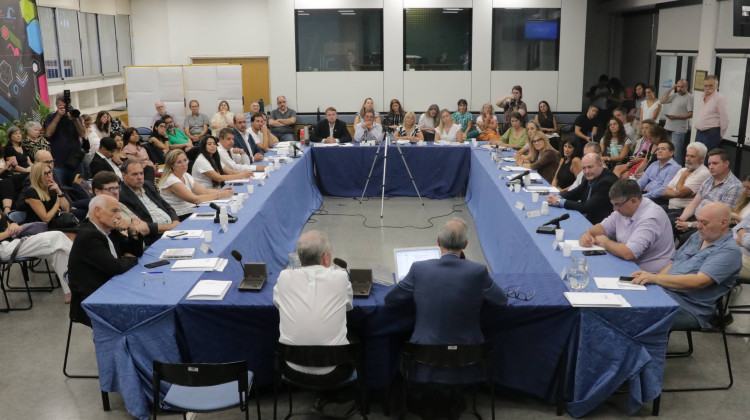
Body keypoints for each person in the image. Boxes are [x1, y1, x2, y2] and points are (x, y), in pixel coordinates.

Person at [384, 218, 507, 379]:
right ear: (465, 245)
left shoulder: (419, 269)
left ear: (438, 241)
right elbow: (501, 301)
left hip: (425, 353)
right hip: (469, 355)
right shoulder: (478, 271)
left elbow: (390, 300)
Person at [630, 202, 741, 330]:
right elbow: (673, 263)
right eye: (698, 221)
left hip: (688, 307)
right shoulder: (698, 236)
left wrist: (655, 279)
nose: (698, 226)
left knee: (632, 314)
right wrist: (654, 283)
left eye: (704, 223)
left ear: (724, 223)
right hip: (666, 292)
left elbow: (699, 281)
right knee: (625, 299)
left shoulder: (729, 251)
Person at [273, 230, 353, 376]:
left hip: (292, 366)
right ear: (326, 258)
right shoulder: (340, 278)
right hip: (333, 367)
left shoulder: (284, 278)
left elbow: (278, 304)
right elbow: (348, 307)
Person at [68, 195, 144, 327]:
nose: (119, 216)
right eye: (114, 211)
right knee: (143, 307)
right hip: (94, 298)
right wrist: (130, 258)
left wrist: (132, 230)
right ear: (97, 211)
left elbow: (137, 251)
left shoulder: (109, 230)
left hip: (110, 284)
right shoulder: (88, 236)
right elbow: (116, 267)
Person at [580, 179, 674, 272]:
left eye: (617, 205)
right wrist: (587, 234)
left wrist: (605, 242)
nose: (614, 209)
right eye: (613, 204)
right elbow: (602, 227)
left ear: (633, 200)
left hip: (649, 274)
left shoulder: (650, 218)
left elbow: (629, 253)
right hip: (628, 265)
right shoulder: (624, 209)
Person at [674, 148, 743, 236]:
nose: (710, 167)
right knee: (669, 222)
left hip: (710, 226)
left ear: (726, 163)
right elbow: (694, 203)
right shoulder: (709, 179)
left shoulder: (734, 186)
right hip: (695, 217)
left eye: (715, 163)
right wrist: (682, 219)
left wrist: (690, 225)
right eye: (709, 163)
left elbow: (720, 218)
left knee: (687, 238)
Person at [158, 150, 234, 220]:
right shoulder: (172, 180)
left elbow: (203, 191)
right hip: (180, 216)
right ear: (172, 165)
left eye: (185, 160)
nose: (184, 164)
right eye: (179, 162)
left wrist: (221, 191)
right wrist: (219, 194)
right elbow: (195, 199)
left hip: (191, 210)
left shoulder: (185, 175)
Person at [118, 159, 179, 245]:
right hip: (155, 237)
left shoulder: (148, 185)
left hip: (172, 229)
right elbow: (143, 224)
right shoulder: (122, 196)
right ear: (124, 175)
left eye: (141, 173)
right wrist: (170, 227)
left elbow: (167, 206)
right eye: (135, 174)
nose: (139, 177)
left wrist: (175, 221)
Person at [547, 153, 619, 224]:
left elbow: (586, 207)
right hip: (587, 219)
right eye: (584, 168)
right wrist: (557, 197)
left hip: (599, 225)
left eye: (590, 167)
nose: (587, 171)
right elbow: (575, 193)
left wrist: (559, 202)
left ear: (600, 165)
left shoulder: (606, 182)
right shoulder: (590, 176)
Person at [43, 94, 86, 186]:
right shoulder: (51, 117)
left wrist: (75, 120)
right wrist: (58, 116)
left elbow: (82, 134)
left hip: (75, 161)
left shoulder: (75, 116)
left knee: (80, 188)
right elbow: (48, 134)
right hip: (58, 162)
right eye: (61, 107)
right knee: (60, 188)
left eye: (65, 107)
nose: (64, 109)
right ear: (56, 105)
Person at [663, 142, 711, 213]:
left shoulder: (703, 173)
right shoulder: (683, 170)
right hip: (670, 207)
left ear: (702, 159)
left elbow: (680, 192)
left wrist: (684, 176)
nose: (688, 159)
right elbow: (665, 192)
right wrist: (680, 194)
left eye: (692, 156)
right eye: (687, 155)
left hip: (683, 210)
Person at [694, 75, 729, 157]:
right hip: (699, 133)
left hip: (711, 134)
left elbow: (725, 119)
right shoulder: (702, 96)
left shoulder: (720, 98)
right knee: (696, 157)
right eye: (706, 86)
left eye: (711, 85)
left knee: (706, 159)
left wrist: (720, 135)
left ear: (717, 86)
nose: (707, 88)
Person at [660, 79, 693, 165]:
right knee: (665, 152)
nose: (679, 88)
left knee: (677, 153)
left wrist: (676, 117)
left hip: (679, 130)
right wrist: (671, 88)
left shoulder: (689, 97)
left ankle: (677, 173)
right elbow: (662, 101)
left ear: (686, 87)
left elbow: (690, 114)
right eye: (678, 86)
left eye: (682, 86)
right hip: (668, 128)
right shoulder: (675, 95)